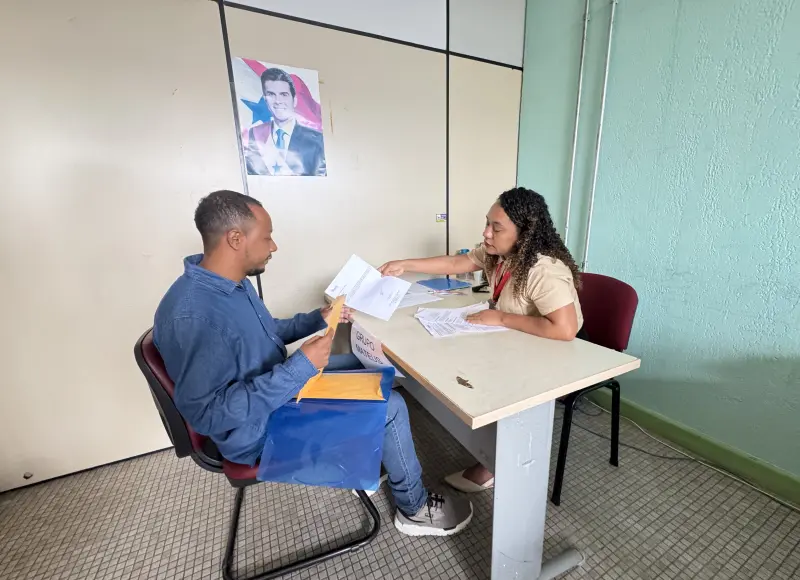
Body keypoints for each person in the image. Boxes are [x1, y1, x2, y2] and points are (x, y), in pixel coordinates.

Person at [154, 190, 471, 536]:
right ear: (235, 238)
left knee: (372, 369)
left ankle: (372, 455)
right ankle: (415, 510)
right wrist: (301, 366)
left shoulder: (230, 283)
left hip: (276, 392)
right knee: (390, 406)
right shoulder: (193, 315)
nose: (274, 246)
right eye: (267, 237)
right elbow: (208, 415)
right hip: (257, 432)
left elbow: (264, 331)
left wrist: (317, 318)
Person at [379, 187, 584, 492]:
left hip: (547, 351)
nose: (486, 233)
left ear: (524, 233)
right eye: (487, 223)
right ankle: (485, 442)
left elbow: (565, 329)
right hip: (512, 340)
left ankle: (494, 461)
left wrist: (500, 318)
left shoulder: (543, 269)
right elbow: (455, 264)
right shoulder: (497, 254)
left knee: (485, 376)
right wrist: (405, 264)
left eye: (496, 228)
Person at [244, 68, 326, 176]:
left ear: (294, 100)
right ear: (265, 100)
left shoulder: (316, 140)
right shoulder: (254, 134)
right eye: (271, 94)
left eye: (283, 94)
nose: (278, 101)